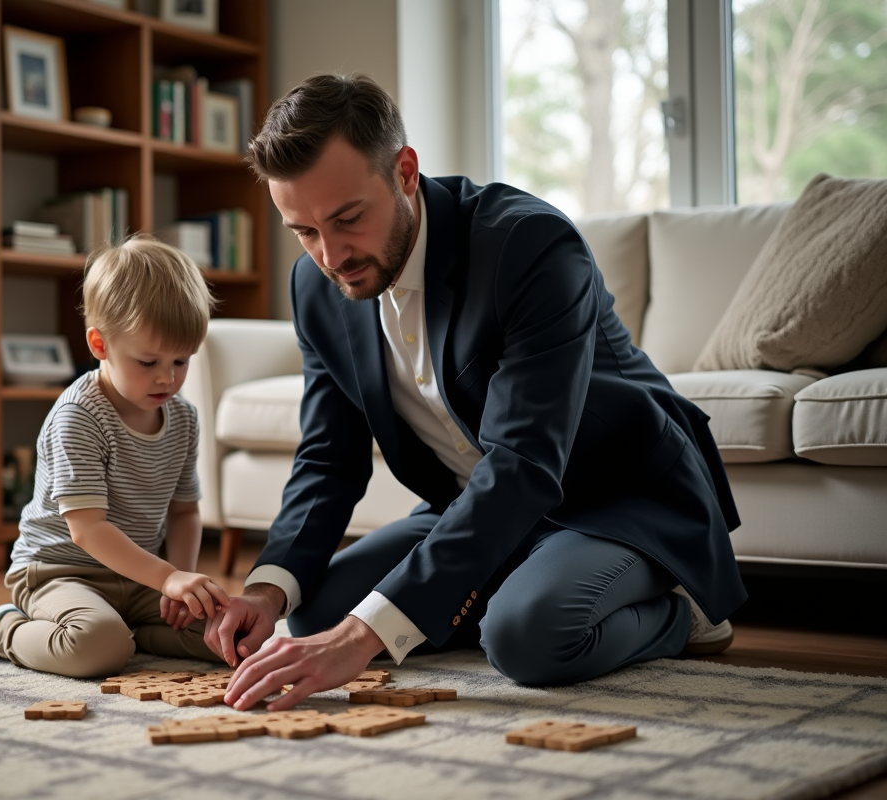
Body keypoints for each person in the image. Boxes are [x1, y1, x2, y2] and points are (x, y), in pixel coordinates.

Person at [208, 73, 747, 711]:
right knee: (314, 611)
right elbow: (329, 457)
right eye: (303, 231)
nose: (331, 256)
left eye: (348, 218)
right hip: (476, 504)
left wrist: (363, 635)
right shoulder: (315, 288)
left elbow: (523, 461)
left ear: (404, 171)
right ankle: (504, 586)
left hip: (615, 497)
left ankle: (682, 613)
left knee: (525, 639)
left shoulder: (528, 245)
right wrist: (267, 591)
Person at [0, 236, 228, 677]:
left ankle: (134, 631)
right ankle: (3, 631)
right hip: (60, 572)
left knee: (231, 633)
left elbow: (185, 512)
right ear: (99, 344)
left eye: (181, 361)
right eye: (148, 362)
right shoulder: (79, 417)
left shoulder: (183, 418)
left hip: (138, 574)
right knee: (95, 648)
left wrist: (179, 582)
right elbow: (87, 529)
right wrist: (165, 578)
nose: (168, 377)